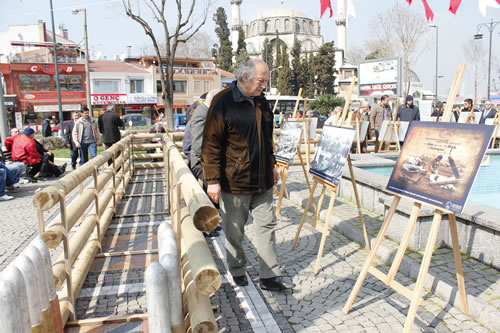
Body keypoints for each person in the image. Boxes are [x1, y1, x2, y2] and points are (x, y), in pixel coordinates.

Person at [202, 59, 290, 292]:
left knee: (267, 227)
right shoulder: (223, 102)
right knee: (235, 230)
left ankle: (269, 276)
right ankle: (238, 270)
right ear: (244, 77)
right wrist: (212, 180)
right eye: (261, 80)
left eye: (265, 80)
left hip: (262, 181)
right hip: (234, 182)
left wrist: (271, 165)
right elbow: (210, 144)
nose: (264, 85)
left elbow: (267, 139)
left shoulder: (262, 102)